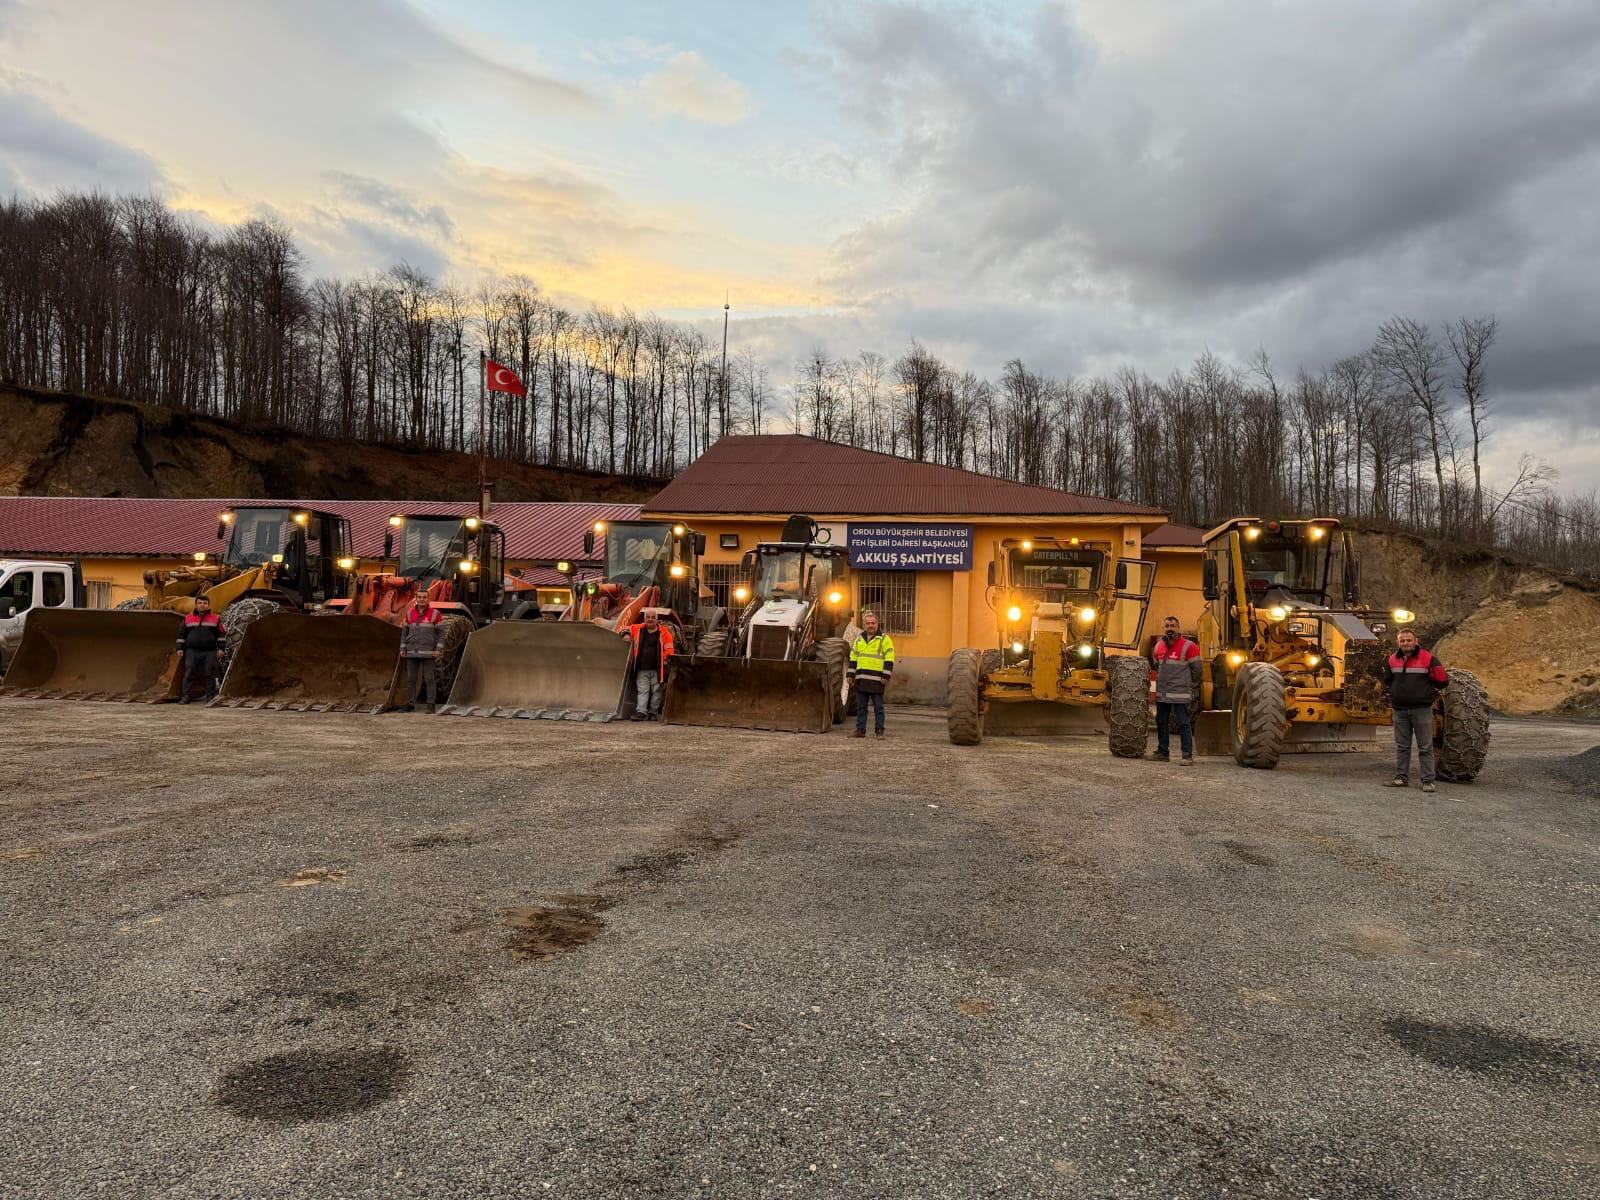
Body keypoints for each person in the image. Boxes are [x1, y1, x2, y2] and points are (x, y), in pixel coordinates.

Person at [1380, 627, 1449, 793]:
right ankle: (1401, 778)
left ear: (1416, 641)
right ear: (1398, 643)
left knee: (1425, 747)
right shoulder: (1391, 660)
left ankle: (1428, 781)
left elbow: (1442, 681)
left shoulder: (1429, 659)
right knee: (1402, 746)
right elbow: (1388, 680)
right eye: (1402, 640)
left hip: (1421, 710)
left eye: (1408, 640)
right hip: (1400, 710)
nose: (1405, 643)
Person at [1148, 615, 1201, 764]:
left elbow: (1197, 669)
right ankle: (1163, 753)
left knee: (1183, 723)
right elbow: (1156, 665)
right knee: (1161, 722)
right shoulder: (1158, 646)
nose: (1169, 628)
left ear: (1178, 628)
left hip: (1180, 693)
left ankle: (1187, 755)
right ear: (1164, 628)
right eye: (1167, 626)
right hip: (1163, 693)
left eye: (1172, 626)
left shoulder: (1189, 646)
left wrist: (1192, 684)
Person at [848, 610, 895, 738]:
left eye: (873, 623)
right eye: (868, 623)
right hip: (861, 679)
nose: (870, 625)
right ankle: (860, 731)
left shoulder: (885, 640)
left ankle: (879, 731)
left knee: (878, 708)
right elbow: (853, 658)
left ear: (877, 624)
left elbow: (889, 659)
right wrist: (850, 675)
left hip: (877, 680)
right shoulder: (859, 640)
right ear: (864, 625)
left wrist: (886, 676)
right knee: (861, 708)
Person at [625, 607, 675, 720]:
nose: (650, 619)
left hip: (658, 669)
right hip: (641, 669)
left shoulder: (664, 632)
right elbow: (626, 628)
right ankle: (641, 713)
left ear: (657, 620)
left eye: (653, 617)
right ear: (644, 619)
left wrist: (667, 662)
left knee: (657, 692)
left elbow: (669, 649)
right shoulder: (638, 629)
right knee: (643, 691)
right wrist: (626, 635)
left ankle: (653, 712)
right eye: (648, 617)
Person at [175, 595, 226, 703]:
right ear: (196, 605)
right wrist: (180, 648)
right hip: (192, 651)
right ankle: (186, 696)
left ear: (208, 605)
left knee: (209, 674)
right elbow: (181, 634)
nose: (202, 605)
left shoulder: (216, 618)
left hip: (210, 651)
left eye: (204, 603)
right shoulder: (188, 618)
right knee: (189, 673)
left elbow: (221, 634)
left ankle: (210, 697)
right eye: (200, 603)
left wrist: (221, 649)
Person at [398, 594, 444, 713]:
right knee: (411, 679)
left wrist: (438, 649)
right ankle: (410, 704)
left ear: (428, 599)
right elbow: (404, 633)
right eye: (419, 597)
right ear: (416, 599)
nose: (421, 599)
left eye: (424, 597)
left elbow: (441, 634)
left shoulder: (435, 614)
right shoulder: (409, 614)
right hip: (412, 652)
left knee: (429, 679)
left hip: (429, 653)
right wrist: (403, 648)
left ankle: (431, 704)